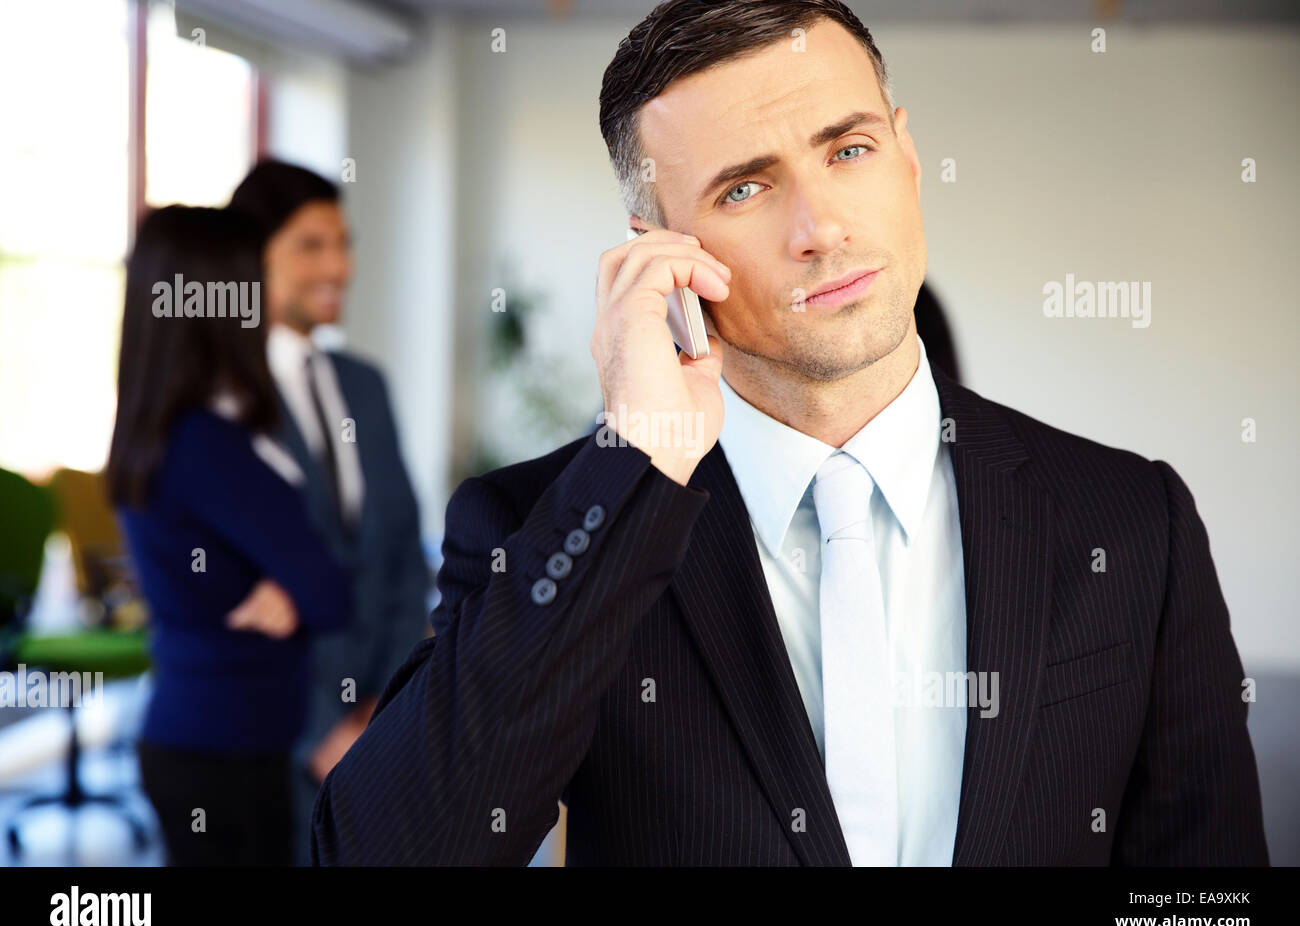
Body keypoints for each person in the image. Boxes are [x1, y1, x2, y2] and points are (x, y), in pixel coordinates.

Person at [312, 0, 1268, 866]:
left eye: (846, 151)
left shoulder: (1133, 517)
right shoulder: (542, 524)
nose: (821, 228)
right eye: (744, 190)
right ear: (659, 252)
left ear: (905, 156)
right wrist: (639, 459)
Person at [108, 205, 353, 866]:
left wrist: (288, 588)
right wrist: (298, 587)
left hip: (208, 739)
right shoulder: (206, 444)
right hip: (223, 753)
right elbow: (330, 591)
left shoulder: (164, 426)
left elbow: (309, 583)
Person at [229, 159, 430, 865]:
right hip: (265, 739)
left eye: (343, 244)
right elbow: (230, 590)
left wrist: (388, 702)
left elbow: (405, 551)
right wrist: (321, 732)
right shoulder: (221, 399)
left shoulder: (364, 385)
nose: (338, 266)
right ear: (250, 260)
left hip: (378, 728)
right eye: (311, 246)